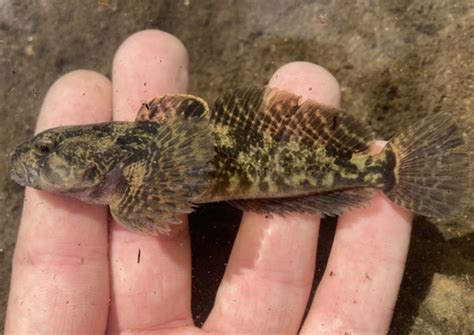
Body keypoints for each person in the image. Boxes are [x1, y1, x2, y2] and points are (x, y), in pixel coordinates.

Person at [5, 30, 412, 334]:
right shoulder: (126, 161)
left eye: (47, 149)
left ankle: (389, 169)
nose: (34, 159)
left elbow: (180, 157)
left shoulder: (130, 173)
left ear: (87, 155)